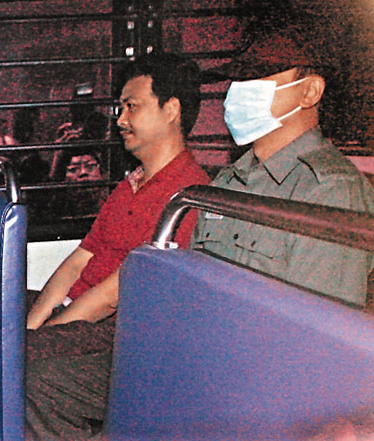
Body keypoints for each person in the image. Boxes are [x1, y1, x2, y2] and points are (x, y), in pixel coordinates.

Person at [25, 52, 210, 440]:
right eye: (120, 108)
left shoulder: (187, 196)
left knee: (24, 367)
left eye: (132, 107)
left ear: (171, 110)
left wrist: (41, 336)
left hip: (115, 330)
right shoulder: (131, 184)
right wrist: (31, 323)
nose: (121, 119)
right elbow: (80, 259)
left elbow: (113, 296)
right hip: (77, 310)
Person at [192, 21, 374, 306]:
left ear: (310, 91)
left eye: (257, 78)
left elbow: (317, 323)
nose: (238, 92)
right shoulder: (228, 180)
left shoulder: (331, 192)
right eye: (238, 80)